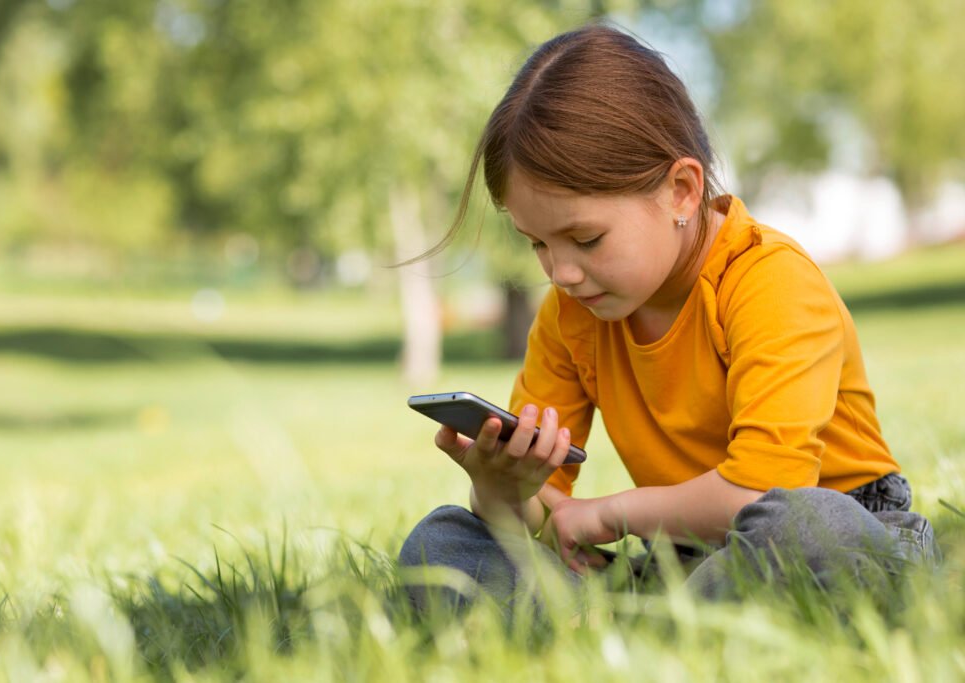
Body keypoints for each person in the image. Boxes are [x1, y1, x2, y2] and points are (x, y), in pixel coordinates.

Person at [398, 23, 936, 613]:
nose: (560, 272)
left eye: (585, 238)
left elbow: (761, 491)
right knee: (442, 544)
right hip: (679, 557)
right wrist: (501, 493)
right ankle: (660, 619)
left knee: (804, 527)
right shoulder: (571, 315)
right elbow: (550, 517)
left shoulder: (769, 281)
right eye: (538, 245)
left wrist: (610, 513)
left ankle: (633, 623)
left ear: (681, 191)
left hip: (826, 525)